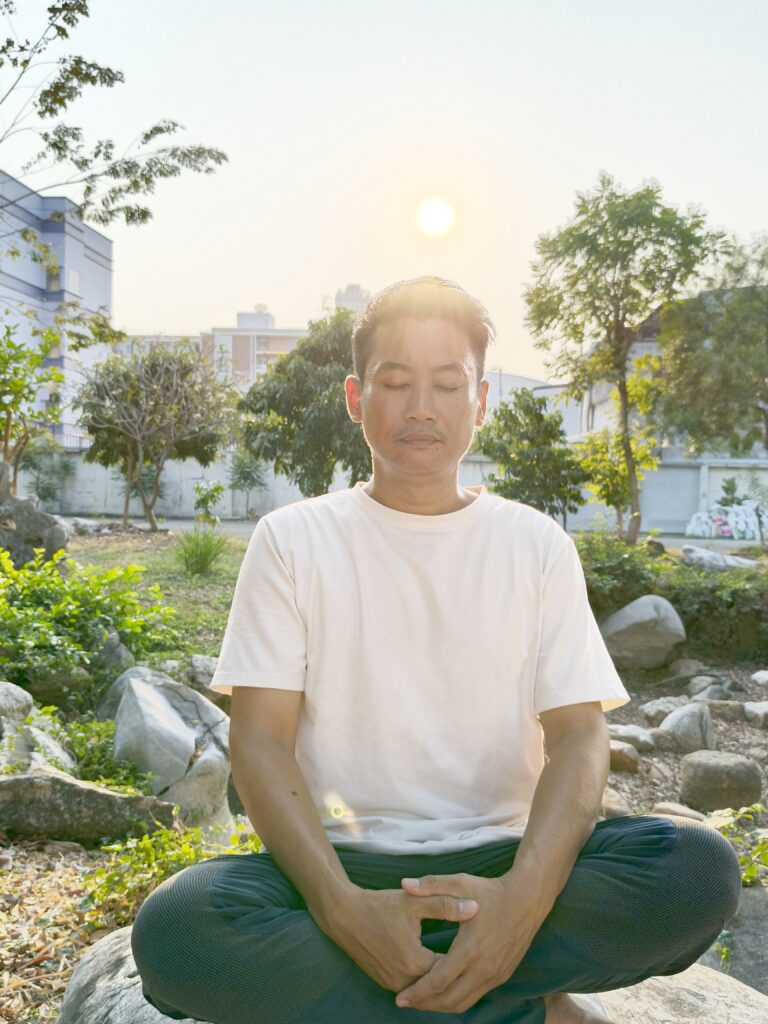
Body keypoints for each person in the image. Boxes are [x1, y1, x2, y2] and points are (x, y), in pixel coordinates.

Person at [131, 277, 741, 1024]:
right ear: (357, 399)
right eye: (396, 383)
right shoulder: (293, 540)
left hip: (504, 858)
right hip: (339, 865)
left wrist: (519, 907)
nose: (421, 407)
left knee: (696, 872)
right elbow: (259, 741)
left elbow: (580, 737)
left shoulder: (535, 544)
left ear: (481, 402)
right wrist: (346, 911)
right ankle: (527, 1004)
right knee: (177, 933)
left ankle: (435, 983)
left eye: (448, 385)